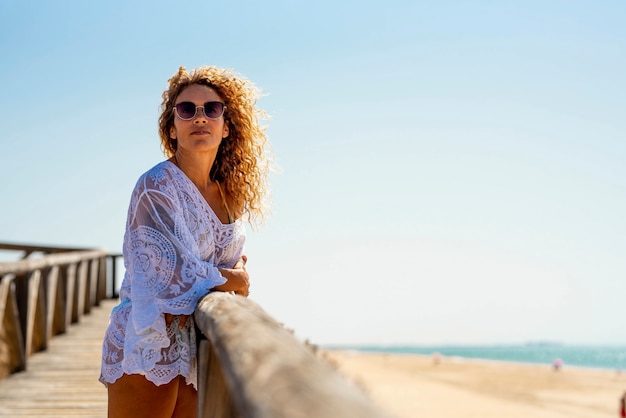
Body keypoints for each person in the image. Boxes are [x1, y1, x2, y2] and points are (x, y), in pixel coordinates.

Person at [100, 66, 271, 417]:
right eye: (186, 109)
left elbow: (220, 267)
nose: (200, 117)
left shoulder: (229, 195)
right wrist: (233, 279)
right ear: (171, 128)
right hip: (148, 340)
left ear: (227, 127)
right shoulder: (156, 186)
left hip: (196, 345)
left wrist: (226, 277)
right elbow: (168, 276)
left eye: (212, 109)